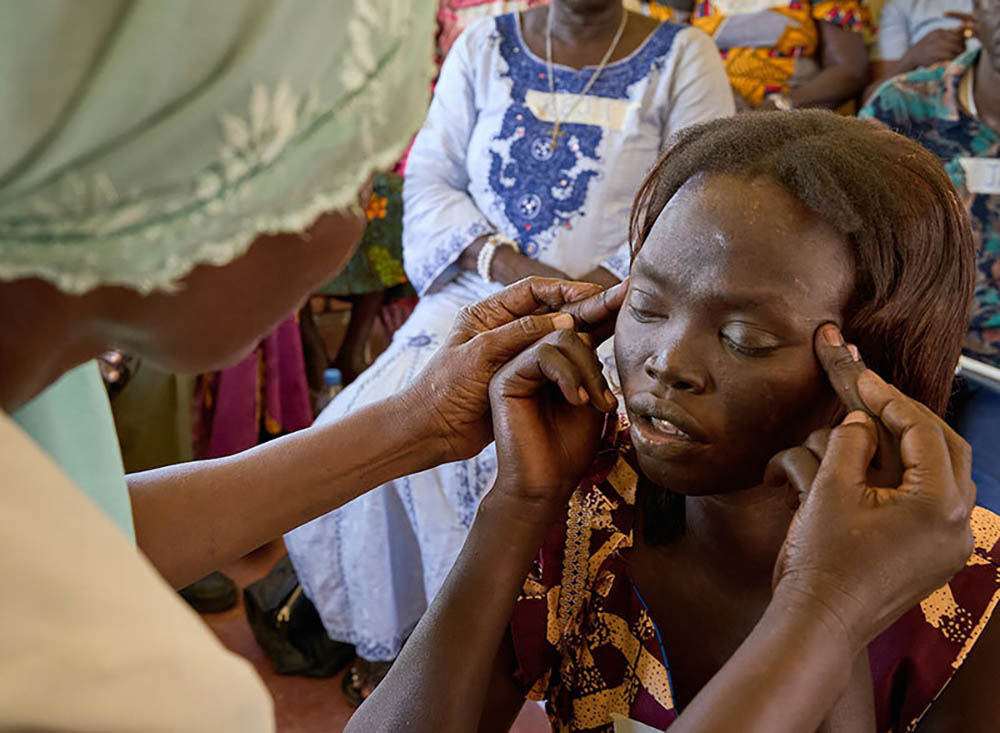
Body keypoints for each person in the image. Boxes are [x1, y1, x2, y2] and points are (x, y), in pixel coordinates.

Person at [0, 2, 626, 728]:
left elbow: (91, 528)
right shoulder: (118, 689)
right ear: (216, 182)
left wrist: (419, 422)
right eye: (357, 170)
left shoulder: (41, 385)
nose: (365, 213)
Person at [348, 111, 999, 732]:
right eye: (648, 306)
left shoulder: (969, 590)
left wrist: (834, 623)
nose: (667, 363)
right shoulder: (592, 507)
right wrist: (517, 505)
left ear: (877, 374)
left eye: (743, 336)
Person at [284, 0, 735, 700]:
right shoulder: (482, 45)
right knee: (376, 416)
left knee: (538, 435)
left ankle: (515, 644)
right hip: (476, 290)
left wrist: (604, 291)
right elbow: (431, 177)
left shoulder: (683, 57)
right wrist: (512, 270)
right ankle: (403, 631)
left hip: (624, 308)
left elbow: (699, 198)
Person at [860, 0, 999, 511]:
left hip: (994, 379)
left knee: (981, 514)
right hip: (901, 354)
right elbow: (847, 229)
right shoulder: (905, 105)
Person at [686, 0, 870, 111]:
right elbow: (668, 55)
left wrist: (781, 104)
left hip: (796, 111)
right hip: (708, 104)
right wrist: (721, 102)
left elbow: (851, 69)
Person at [867, 0, 979, 93]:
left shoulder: (991, 7)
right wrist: (913, 58)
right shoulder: (900, 6)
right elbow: (872, 98)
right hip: (926, 101)